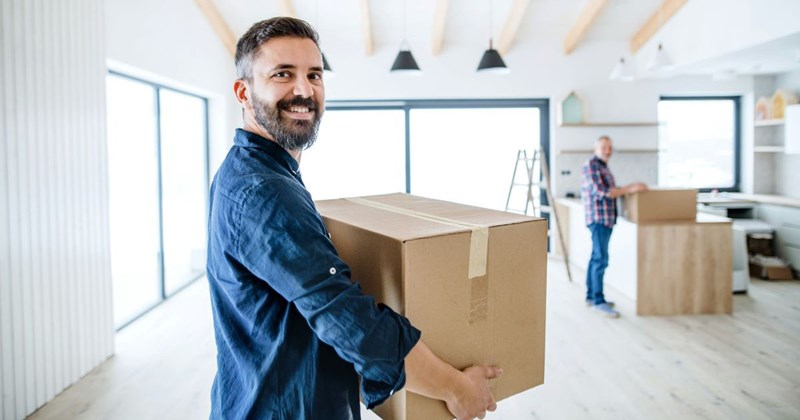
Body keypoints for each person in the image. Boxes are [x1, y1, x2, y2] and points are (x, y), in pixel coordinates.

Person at [206, 17, 501, 420]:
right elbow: (349, 320)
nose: (304, 90)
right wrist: (455, 387)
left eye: (314, 74)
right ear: (243, 91)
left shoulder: (252, 171)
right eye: (282, 74)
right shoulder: (265, 191)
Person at [580, 135, 648, 318]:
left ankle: (591, 297)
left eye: (610, 147)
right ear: (596, 148)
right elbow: (601, 192)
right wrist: (630, 188)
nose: (608, 151)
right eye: (604, 147)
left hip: (606, 219)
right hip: (599, 219)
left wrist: (627, 188)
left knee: (596, 258)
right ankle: (598, 300)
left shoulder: (602, 166)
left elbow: (610, 190)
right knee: (601, 259)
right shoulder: (592, 165)